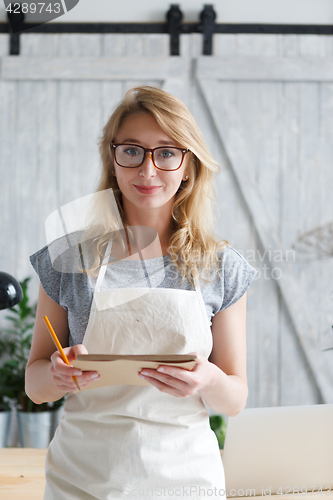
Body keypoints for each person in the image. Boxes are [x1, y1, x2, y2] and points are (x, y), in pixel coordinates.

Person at [26, 86, 257, 500]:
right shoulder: (68, 259)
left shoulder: (221, 266)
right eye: (132, 151)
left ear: (188, 166)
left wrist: (207, 379)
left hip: (185, 480)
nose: (148, 171)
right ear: (112, 161)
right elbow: (34, 383)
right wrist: (57, 376)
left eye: (166, 152)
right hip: (81, 478)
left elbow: (235, 398)